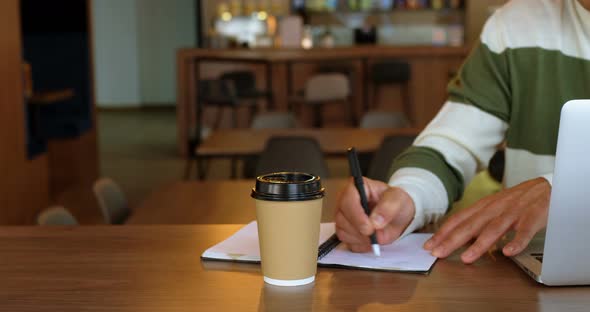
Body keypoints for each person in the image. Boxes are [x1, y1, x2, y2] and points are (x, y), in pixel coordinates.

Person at [335, 0, 590, 264]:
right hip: (527, 273)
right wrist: (408, 196)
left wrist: (565, 191)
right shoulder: (515, 25)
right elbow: (454, 143)